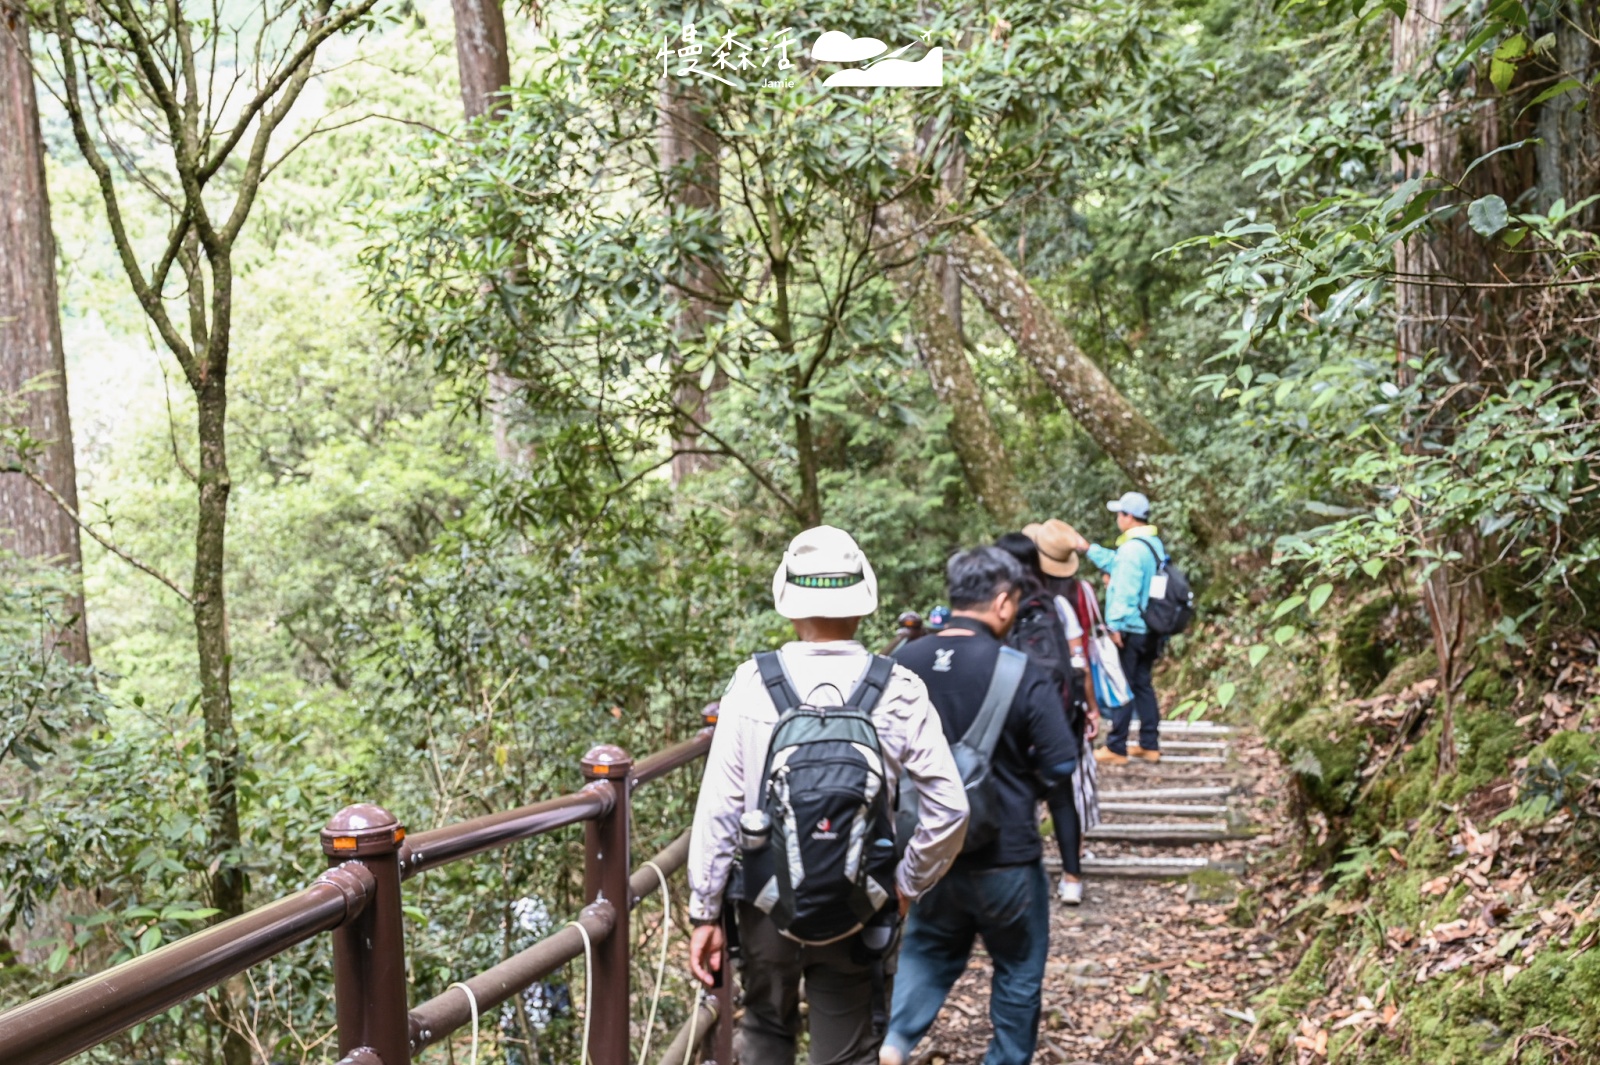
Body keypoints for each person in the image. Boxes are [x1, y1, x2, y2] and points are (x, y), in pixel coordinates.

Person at [687, 525, 970, 1065]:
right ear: (862, 601)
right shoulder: (898, 687)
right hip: (858, 902)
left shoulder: (751, 683)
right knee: (847, 1049)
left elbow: (720, 808)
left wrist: (705, 912)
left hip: (764, 903)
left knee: (767, 1030)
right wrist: (905, 883)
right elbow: (951, 807)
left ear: (789, 602)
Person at [881, 547, 1080, 1065]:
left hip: (927, 851)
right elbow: (1061, 762)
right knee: (1017, 968)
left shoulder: (901, 664)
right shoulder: (1021, 670)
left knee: (926, 950)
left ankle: (894, 1043)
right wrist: (1021, 787)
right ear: (1002, 602)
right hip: (1007, 852)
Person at [1022, 519, 1103, 906]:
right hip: (1056, 710)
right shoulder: (1060, 605)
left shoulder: (1005, 601)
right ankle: (1072, 877)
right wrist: (1090, 706)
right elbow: (1079, 661)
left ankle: (1022, 871)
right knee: (1061, 795)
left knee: (1017, 791)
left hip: (1014, 708)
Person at [1083, 491, 1167, 767]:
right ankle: (1149, 744)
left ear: (1128, 517)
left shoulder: (1132, 549)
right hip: (1150, 628)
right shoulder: (1152, 544)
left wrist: (1115, 626)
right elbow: (1116, 564)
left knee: (1122, 685)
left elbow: (1126, 591)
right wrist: (1088, 549)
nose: (1118, 519)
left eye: (1120, 514)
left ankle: (1117, 746)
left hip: (1130, 629)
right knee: (1141, 684)